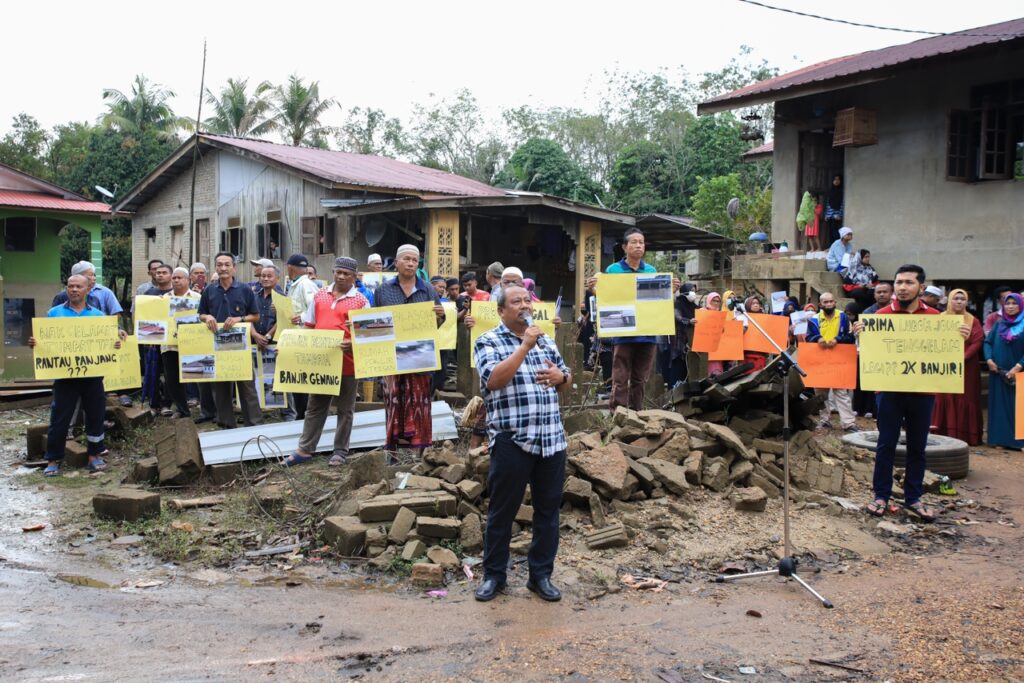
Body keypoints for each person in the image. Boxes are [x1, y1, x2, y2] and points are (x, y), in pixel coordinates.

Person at [473, 284, 572, 603]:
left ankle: (540, 576)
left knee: (547, 512)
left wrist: (563, 378)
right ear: (501, 311)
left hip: (551, 440)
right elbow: (494, 381)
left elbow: (565, 376)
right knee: (502, 512)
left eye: (526, 300)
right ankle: (494, 577)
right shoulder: (487, 341)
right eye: (515, 302)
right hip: (512, 440)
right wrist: (524, 346)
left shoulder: (545, 340)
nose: (524, 305)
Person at [853, 264, 969, 522]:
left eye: (908, 282)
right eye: (899, 282)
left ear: (921, 287)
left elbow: (946, 355)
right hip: (889, 392)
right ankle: (880, 495)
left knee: (918, 446)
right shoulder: (879, 316)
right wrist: (859, 337)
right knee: (886, 444)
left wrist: (959, 337)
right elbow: (865, 354)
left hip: (922, 391)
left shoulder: (938, 320)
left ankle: (913, 497)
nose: (902, 287)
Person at [29, 274, 125, 476]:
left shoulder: (99, 316)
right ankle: (53, 459)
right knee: (60, 416)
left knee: (95, 414)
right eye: (70, 286)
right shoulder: (54, 313)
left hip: (93, 376)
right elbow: (45, 340)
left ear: (87, 289)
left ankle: (94, 455)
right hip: (65, 376)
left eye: (78, 286)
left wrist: (114, 343)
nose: (73, 290)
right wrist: (36, 344)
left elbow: (110, 342)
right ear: (66, 289)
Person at [284, 257, 371, 467]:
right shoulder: (320, 296)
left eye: (346, 274)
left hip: (348, 362)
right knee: (316, 406)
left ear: (354, 277)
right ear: (333, 272)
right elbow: (309, 326)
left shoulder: (361, 301)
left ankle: (340, 450)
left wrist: (353, 343)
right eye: (338, 272)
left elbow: (369, 334)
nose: (341, 276)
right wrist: (292, 347)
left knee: (345, 408)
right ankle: (305, 449)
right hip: (322, 362)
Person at [587, 227, 678, 411]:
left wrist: (672, 290)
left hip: (648, 333)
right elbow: (607, 299)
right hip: (623, 333)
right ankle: (617, 414)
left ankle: (636, 414)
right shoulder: (613, 270)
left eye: (641, 242)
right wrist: (594, 290)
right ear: (624, 247)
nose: (638, 246)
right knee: (620, 377)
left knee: (640, 378)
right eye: (634, 242)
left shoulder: (651, 270)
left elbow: (657, 301)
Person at [373, 244, 445, 455]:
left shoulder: (428, 289)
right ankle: (393, 450)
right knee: (394, 402)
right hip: (392, 357)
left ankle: (418, 451)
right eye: (406, 259)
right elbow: (373, 322)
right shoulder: (383, 290)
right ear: (396, 263)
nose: (411, 263)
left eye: (415, 260)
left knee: (420, 402)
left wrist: (439, 316)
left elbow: (438, 323)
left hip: (419, 357)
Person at [197, 251, 264, 429]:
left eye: (227, 264)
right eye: (220, 264)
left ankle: (254, 424)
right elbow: (201, 313)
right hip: (217, 345)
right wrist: (207, 317)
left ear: (234, 267)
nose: (223, 268)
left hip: (240, 345)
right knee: (221, 387)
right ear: (216, 267)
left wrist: (239, 319)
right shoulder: (209, 290)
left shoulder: (244, 290)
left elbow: (255, 316)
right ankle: (226, 424)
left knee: (246, 385)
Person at [932, 289, 984, 445]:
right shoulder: (939, 319)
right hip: (944, 364)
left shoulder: (972, 320)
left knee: (965, 396)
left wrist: (963, 357)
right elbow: (932, 339)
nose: (959, 301)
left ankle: (964, 435)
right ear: (949, 301)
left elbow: (977, 341)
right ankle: (941, 431)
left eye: (963, 299)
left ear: (967, 302)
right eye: (956, 298)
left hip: (966, 367)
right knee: (943, 395)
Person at [806, 292, 857, 432]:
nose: (828, 304)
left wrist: (838, 340)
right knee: (821, 393)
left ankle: (848, 423)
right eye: (825, 302)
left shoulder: (843, 317)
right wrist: (817, 339)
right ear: (820, 305)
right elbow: (808, 338)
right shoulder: (813, 319)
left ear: (835, 302)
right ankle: (824, 420)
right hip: (820, 359)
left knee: (841, 391)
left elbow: (850, 337)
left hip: (838, 359)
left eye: (831, 301)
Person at [983, 292, 1024, 449]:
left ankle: (1019, 442)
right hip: (997, 372)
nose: (1011, 306)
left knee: (1019, 407)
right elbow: (988, 342)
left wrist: (1018, 366)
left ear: (1020, 305)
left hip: (1019, 373)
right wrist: (989, 360)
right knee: (999, 406)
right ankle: (1000, 439)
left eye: (1014, 303)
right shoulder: (999, 324)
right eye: (1008, 303)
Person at [160, 268, 201, 419]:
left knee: (197, 374)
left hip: (192, 344)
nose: (176, 280)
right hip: (169, 345)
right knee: (172, 378)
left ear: (188, 280)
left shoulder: (197, 297)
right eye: (174, 278)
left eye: (180, 278)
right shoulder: (164, 298)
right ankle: (182, 409)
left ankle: (205, 408)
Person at [740, 296, 769, 375]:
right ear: (748, 305)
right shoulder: (742, 318)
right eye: (753, 303)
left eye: (757, 303)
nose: (756, 305)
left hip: (760, 354)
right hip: (746, 354)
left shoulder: (765, 319)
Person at [703, 292, 725, 377]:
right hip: (705, 350)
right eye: (713, 300)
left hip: (718, 350)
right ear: (709, 300)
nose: (716, 303)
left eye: (718, 301)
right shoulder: (703, 312)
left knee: (717, 372)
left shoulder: (721, 315)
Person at [825, 174, 844, 244]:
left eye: (838, 179)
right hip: (830, 215)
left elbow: (842, 204)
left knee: (834, 231)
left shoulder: (841, 191)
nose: (836, 181)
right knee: (830, 232)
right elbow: (828, 203)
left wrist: (840, 214)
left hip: (836, 215)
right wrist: (826, 215)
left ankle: (840, 243)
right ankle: (831, 246)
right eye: (835, 179)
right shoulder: (831, 190)